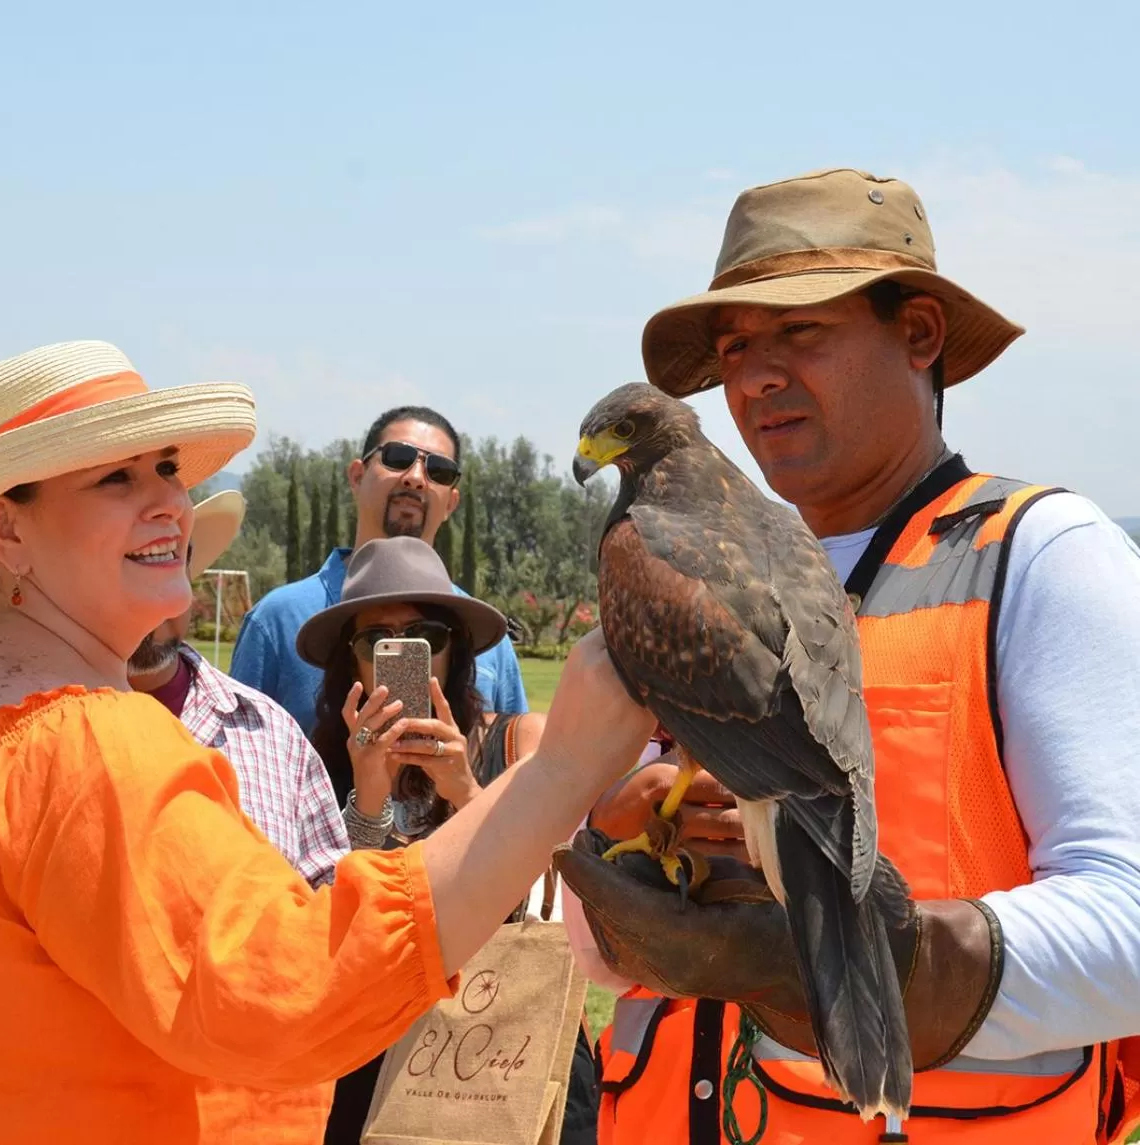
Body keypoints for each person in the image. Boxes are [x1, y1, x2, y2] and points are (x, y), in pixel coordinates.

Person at [0, 340, 657, 1145]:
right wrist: (560, 772)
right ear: (6, 529)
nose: (171, 498)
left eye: (167, 468)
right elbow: (287, 990)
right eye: (116, 479)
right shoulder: (86, 741)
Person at [556, 168, 1140, 1144]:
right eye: (735, 347)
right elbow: (627, 965)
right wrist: (625, 860)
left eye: (800, 332)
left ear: (916, 334)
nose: (753, 377)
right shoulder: (684, 561)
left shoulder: (1039, 556)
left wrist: (872, 962)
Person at [293, 535, 598, 1144]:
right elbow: (327, 930)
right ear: (349, 663)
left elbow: (547, 903)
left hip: (509, 1039)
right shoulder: (316, 764)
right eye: (374, 640)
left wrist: (466, 791)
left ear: (454, 651)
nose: (399, 655)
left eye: (423, 637)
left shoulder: (521, 745)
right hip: (373, 1062)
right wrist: (370, 797)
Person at [229, 405, 528, 734]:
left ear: (451, 504)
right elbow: (237, 766)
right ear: (357, 476)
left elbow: (509, 771)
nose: (415, 478)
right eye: (398, 457)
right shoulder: (276, 621)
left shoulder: (486, 639)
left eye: (439, 470)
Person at [128, 490, 349, 892]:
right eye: (135, 563)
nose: (157, 590)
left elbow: (330, 915)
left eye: (172, 560)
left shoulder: (274, 733)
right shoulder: (26, 740)